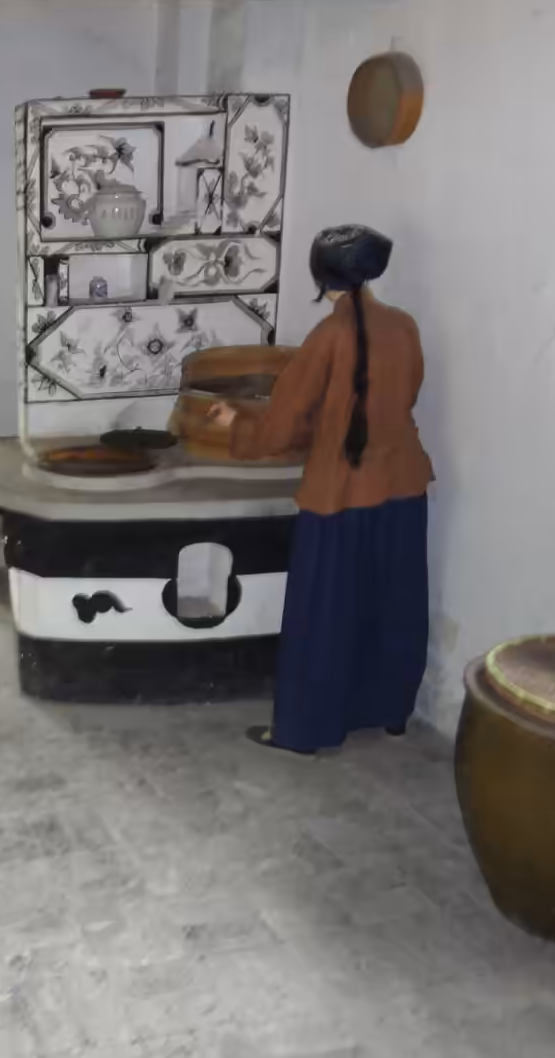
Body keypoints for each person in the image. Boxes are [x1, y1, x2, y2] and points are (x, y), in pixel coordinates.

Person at [208, 226, 433, 754]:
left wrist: (236, 424)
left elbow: (283, 425)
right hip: (403, 487)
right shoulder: (404, 326)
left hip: (341, 495)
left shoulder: (328, 337)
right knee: (393, 606)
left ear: (320, 277)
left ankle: (304, 731)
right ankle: (392, 712)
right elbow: (398, 398)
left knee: (324, 618)